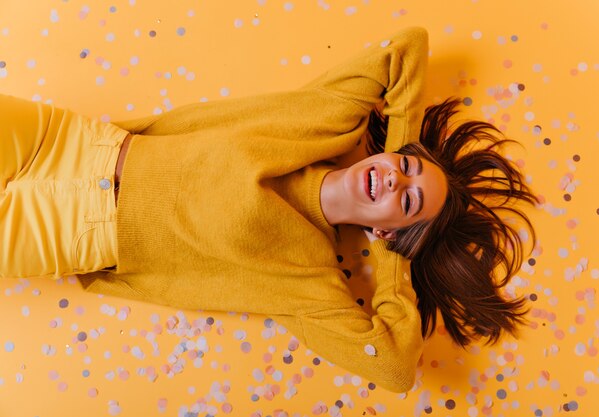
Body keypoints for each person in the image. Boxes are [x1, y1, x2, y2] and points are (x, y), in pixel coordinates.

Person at [0, 27, 536, 392]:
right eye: (408, 166)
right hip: (70, 141)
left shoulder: (308, 278)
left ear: (389, 231)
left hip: (68, 230)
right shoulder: (330, 122)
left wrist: (394, 259)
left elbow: (395, 368)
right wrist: (399, 157)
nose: (396, 179)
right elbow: (406, 48)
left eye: (409, 201)